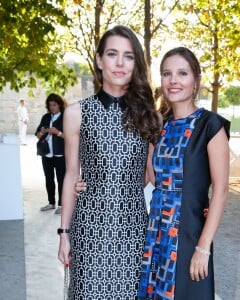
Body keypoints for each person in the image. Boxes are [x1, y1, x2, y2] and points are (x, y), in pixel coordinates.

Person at [57, 25, 161, 299]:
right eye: (112, 54)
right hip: (89, 229)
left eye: (128, 56)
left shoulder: (150, 116)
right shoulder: (76, 113)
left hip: (133, 231)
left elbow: (151, 176)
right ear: (99, 60)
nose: (119, 62)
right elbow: (70, 174)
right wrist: (64, 233)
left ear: (136, 64)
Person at [138, 47, 230, 299]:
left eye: (182, 73)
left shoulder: (210, 125)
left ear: (196, 80)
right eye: (166, 73)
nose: (173, 80)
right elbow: (156, 180)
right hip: (157, 229)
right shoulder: (161, 126)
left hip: (188, 234)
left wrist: (203, 248)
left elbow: (221, 191)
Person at [35, 93, 67, 214]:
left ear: (60, 104)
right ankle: (51, 203)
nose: (52, 107)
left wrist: (57, 132)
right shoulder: (46, 117)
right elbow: (38, 135)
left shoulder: (66, 117)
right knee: (48, 178)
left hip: (60, 154)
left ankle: (62, 205)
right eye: (50, 105)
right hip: (46, 154)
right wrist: (42, 132)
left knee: (61, 180)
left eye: (54, 104)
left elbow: (71, 137)